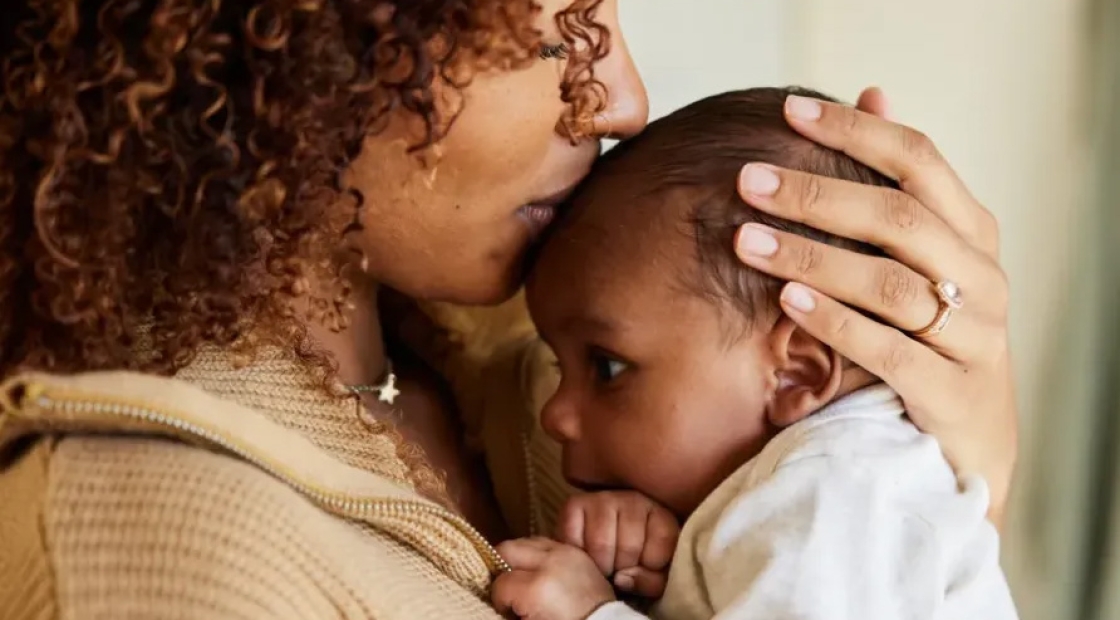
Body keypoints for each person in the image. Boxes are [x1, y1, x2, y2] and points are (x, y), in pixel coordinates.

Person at [0, 1, 1017, 618]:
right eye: (557, 32)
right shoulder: (136, 552)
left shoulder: (547, 348)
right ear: (314, 43)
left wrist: (940, 480)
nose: (622, 98)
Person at [487, 88, 1019, 620]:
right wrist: (672, 558)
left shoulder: (834, 491)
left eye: (607, 366)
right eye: (561, 366)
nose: (553, 414)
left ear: (796, 373)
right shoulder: (841, 482)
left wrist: (593, 612)